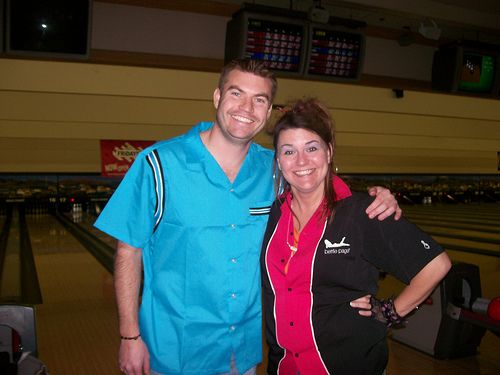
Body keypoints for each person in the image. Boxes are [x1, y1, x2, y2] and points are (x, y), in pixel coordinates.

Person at [94, 60, 402, 375]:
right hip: (173, 350)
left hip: (240, 352)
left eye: (259, 100)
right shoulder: (158, 164)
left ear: (268, 112)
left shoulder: (277, 169)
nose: (247, 107)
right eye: (236, 93)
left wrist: (377, 198)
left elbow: (327, 192)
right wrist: (129, 334)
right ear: (217, 97)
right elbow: (128, 251)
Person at [261, 97, 452, 375]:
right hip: (285, 367)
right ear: (278, 159)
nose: (301, 160)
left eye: (311, 148)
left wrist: (390, 312)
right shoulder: (275, 213)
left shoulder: (362, 212)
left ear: (329, 151)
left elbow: (437, 265)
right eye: (289, 151)